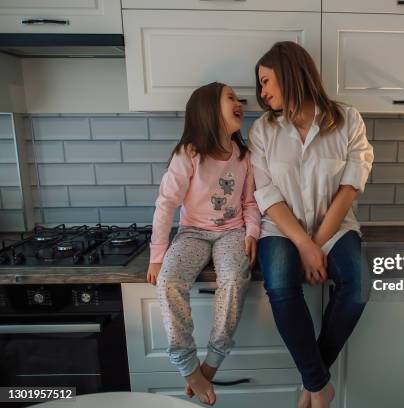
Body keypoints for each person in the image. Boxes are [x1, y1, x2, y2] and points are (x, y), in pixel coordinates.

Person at [249, 41, 374, 408]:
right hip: (281, 230)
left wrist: (316, 243)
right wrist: (303, 245)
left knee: (359, 285)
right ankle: (320, 386)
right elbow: (267, 195)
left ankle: (312, 383)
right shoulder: (262, 130)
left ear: (289, 74)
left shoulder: (347, 119)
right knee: (280, 285)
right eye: (260, 84)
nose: (262, 91)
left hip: (334, 227)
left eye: (266, 80)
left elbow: (351, 186)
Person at [146, 82, 260, 406]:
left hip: (232, 232)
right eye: (231, 98)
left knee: (235, 278)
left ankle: (213, 358)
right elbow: (166, 203)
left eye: (239, 99)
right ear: (208, 109)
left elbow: (251, 202)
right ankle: (186, 364)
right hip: (193, 232)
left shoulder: (244, 155)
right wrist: (157, 255)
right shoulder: (190, 153)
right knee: (168, 280)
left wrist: (252, 233)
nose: (240, 103)